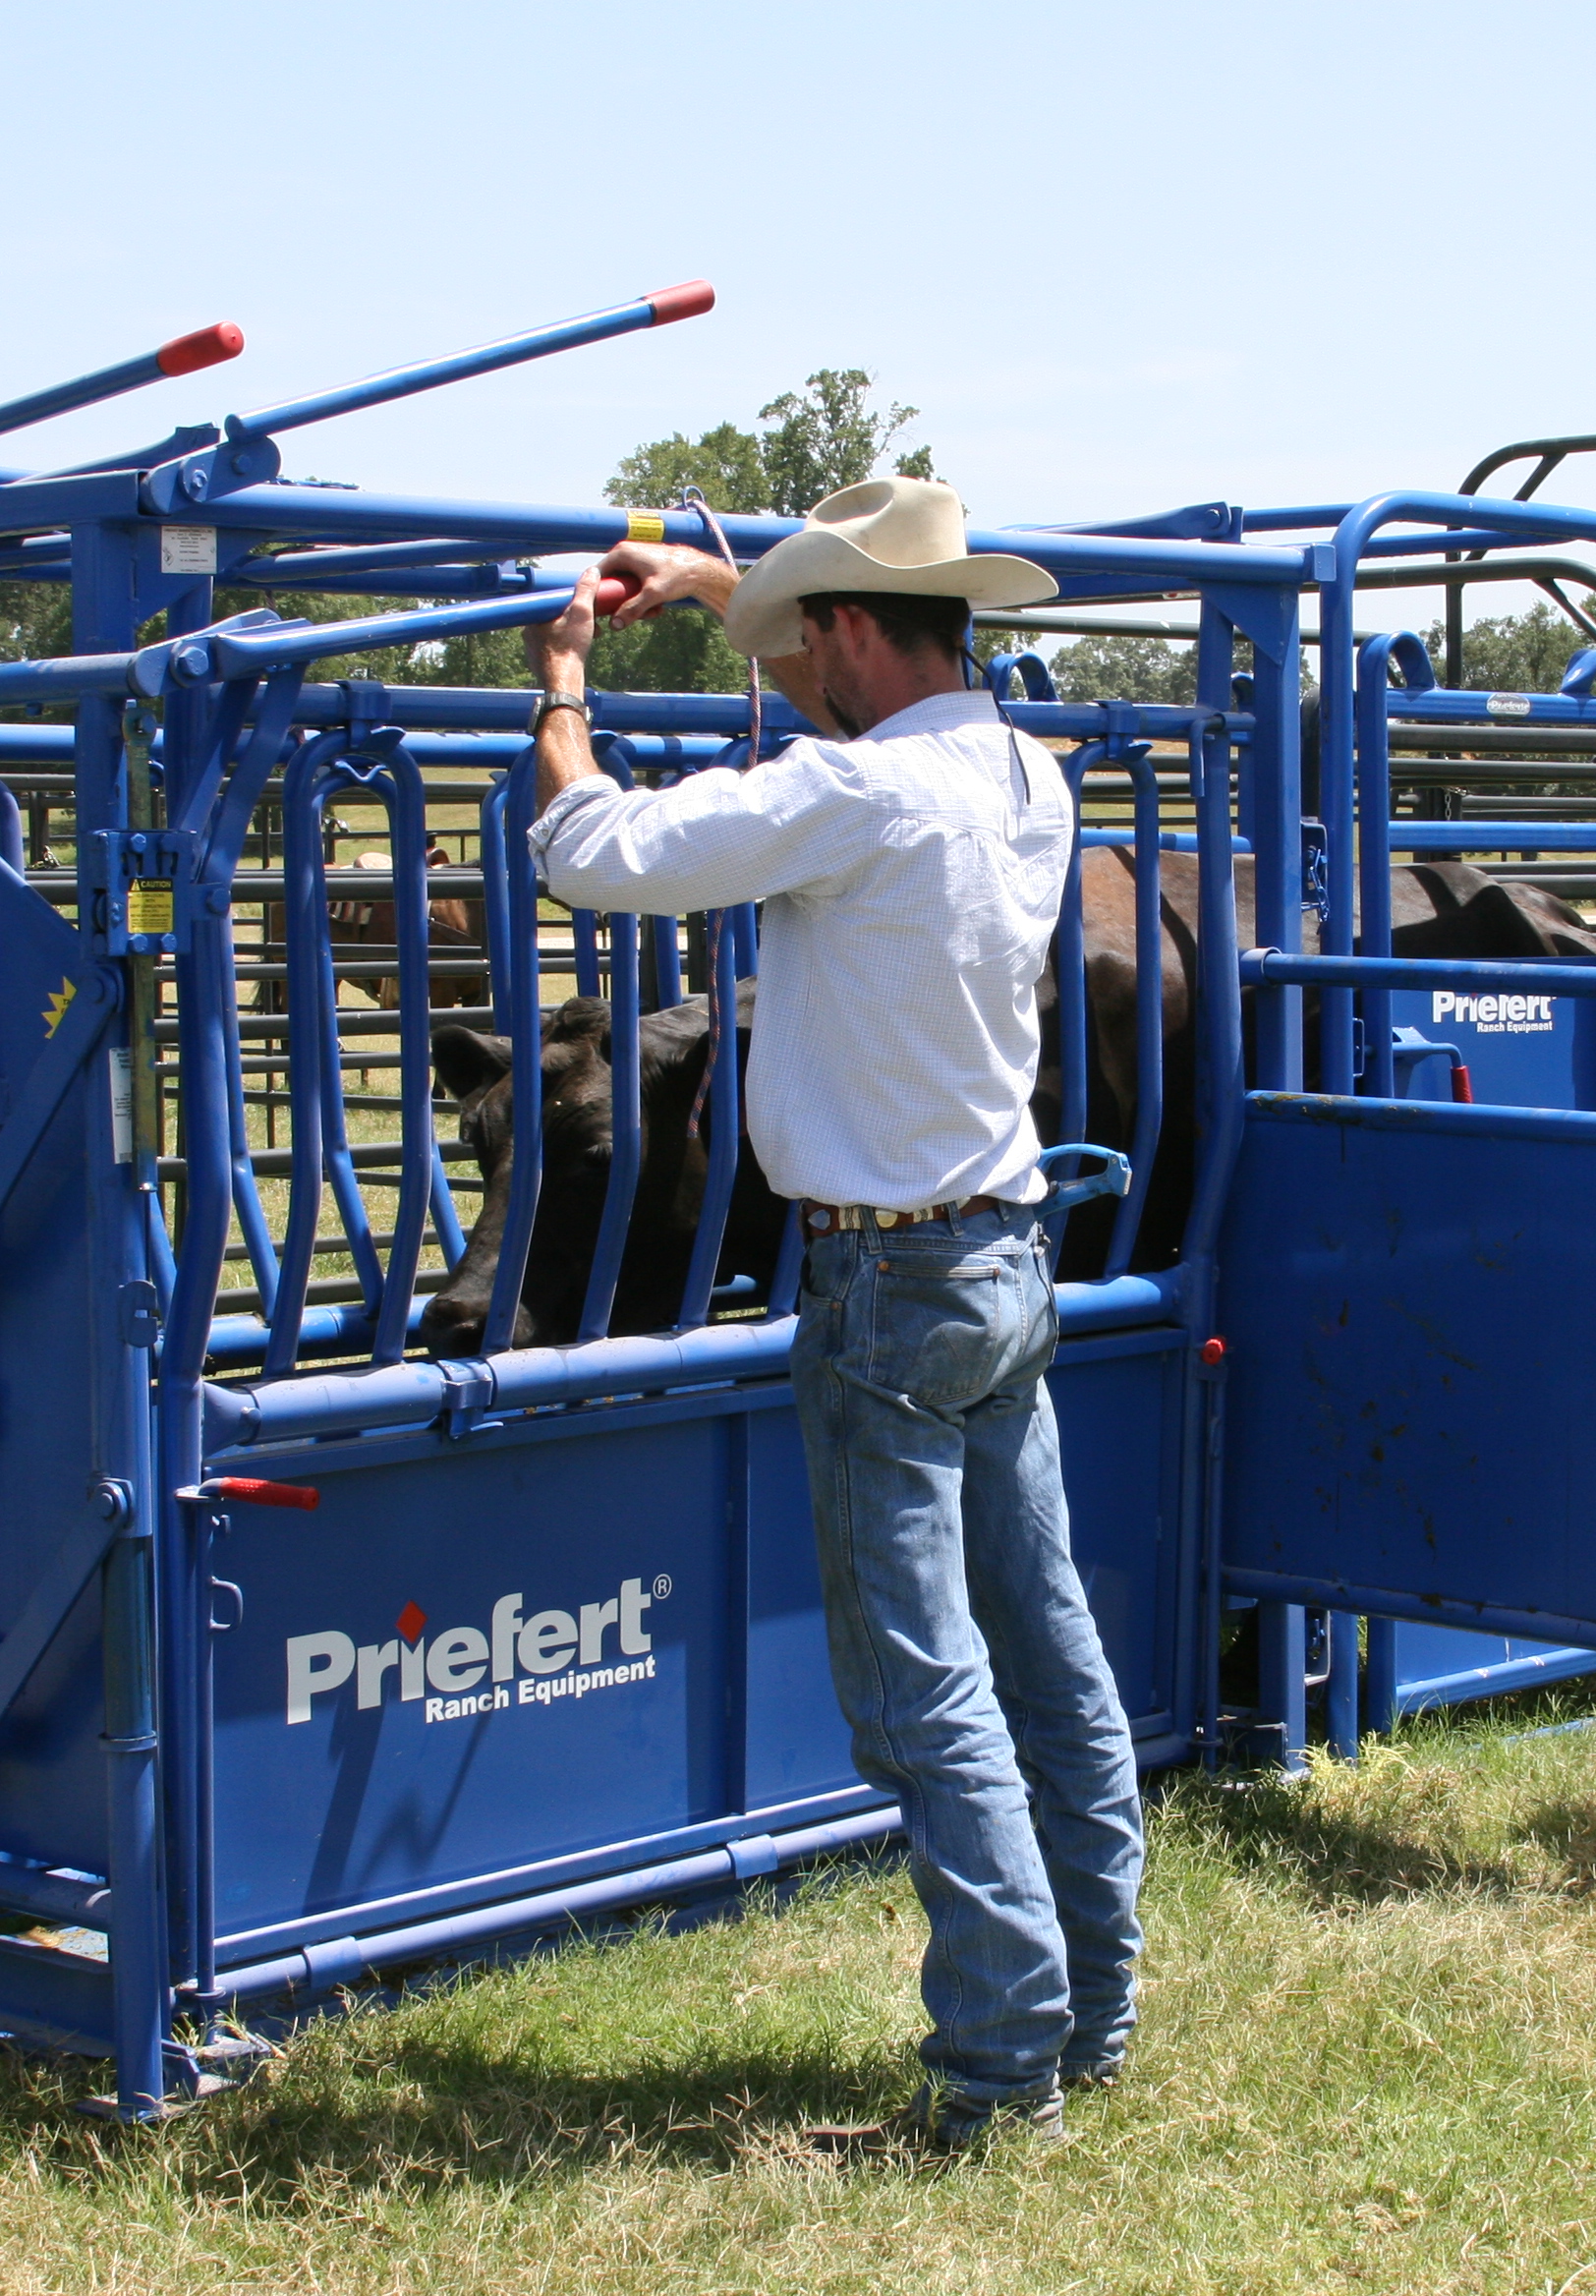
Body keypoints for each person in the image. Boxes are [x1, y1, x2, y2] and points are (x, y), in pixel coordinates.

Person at [519, 477, 1145, 2149]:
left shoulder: (854, 794)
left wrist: (564, 694)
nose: (796, 658)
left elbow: (597, 856)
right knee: (1051, 1646)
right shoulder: (1023, 771)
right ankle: (1097, 2004)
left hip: (882, 1280)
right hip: (1005, 1256)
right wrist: (730, 589)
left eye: (809, 630)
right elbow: (852, 699)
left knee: (921, 1685)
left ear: (853, 633)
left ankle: (1003, 2060)